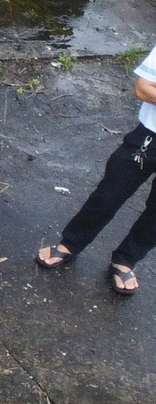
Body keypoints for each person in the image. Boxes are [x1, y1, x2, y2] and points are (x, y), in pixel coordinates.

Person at [39, 42, 156, 296]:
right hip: (148, 138)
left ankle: (125, 260)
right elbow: (144, 88)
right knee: (108, 195)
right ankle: (71, 243)